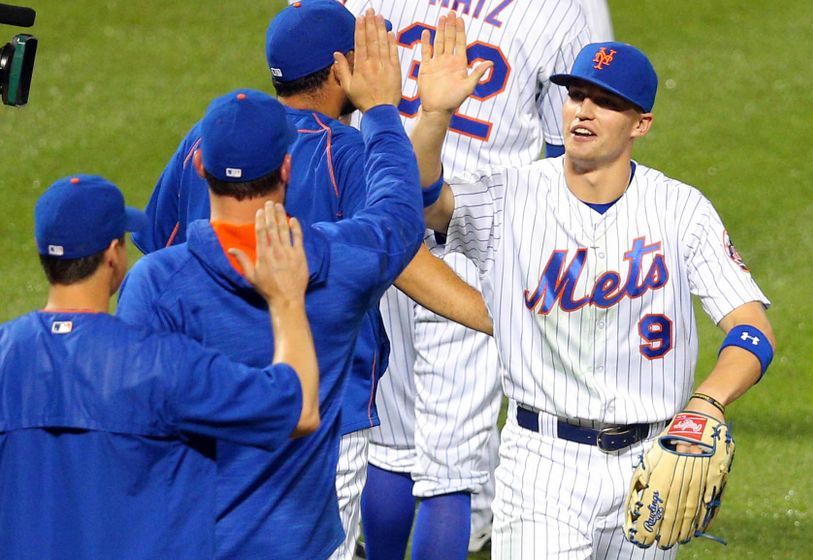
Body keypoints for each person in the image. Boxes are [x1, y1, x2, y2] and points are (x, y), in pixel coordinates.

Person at [410, 19, 776, 558]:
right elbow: (420, 200)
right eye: (576, 95)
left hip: (651, 460)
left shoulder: (681, 210)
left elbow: (753, 332)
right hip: (541, 465)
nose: (583, 110)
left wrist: (707, 404)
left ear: (641, 123)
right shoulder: (510, 194)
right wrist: (436, 115)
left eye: (604, 102)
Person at [133, 3, 490, 556]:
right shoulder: (344, 151)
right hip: (325, 415)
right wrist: (504, 320)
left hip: (213, 410)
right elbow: (400, 254)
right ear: (343, 68)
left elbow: (162, 241)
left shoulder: (208, 140)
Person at [343, 1, 598, 557]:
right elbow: (566, 151)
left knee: (387, 445)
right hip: (473, 242)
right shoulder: (555, 11)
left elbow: (329, 73)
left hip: (378, 229)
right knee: (450, 470)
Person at [0, 175, 320, 559]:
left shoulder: (5, 355)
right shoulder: (163, 363)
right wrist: (286, 300)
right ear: (114, 254)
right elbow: (298, 409)